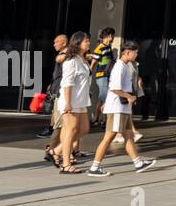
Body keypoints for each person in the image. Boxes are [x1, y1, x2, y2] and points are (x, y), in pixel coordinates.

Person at [86, 40, 157, 177]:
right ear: (128, 52)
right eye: (135, 53)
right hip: (117, 107)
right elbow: (115, 88)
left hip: (122, 108)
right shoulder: (120, 67)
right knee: (109, 137)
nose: (136, 55)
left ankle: (138, 163)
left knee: (129, 136)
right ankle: (94, 167)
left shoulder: (126, 66)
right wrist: (128, 97)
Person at [51, 32, 93, 174]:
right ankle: (66, 164)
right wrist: (68, 103)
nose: (88, 42)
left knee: (84, 129)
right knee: (71, 130)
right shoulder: (71, 60)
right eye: (86, 40)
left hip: (81, 101)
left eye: (88, 40)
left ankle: (56, 150)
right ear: (78, 43)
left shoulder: (83, 60)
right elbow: (67, 83)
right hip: (71, 101)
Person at [40, 34, 68, 145]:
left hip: (62, 91)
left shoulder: (65, 55)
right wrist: (51, 85)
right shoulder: (61, 55)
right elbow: (57, 74)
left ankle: (53, 149)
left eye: (56, 42)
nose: (54, 44)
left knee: (60, 123)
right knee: (58, 121)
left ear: (64, 43)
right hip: (57, 90)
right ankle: (54, 148)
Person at [88, 27, 117, 126]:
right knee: (106, 98)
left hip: (107, 75)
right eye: (113, 35)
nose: (113, 38)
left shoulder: (108, 47)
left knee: (102, 98)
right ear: (109, 36)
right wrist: (90, 71)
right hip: (102, 76)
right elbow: (94, 62)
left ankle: (96, 118)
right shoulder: (100, 47)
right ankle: (105, 121)